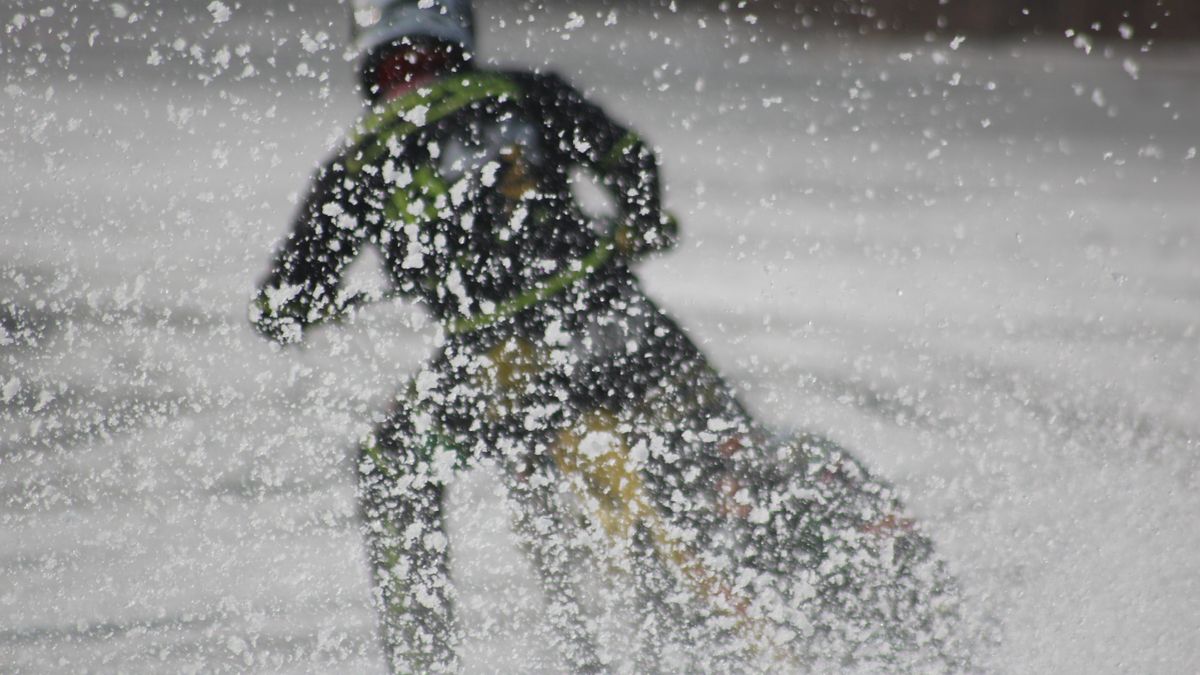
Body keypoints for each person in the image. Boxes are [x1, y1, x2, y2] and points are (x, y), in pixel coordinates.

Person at [251, 1, 967, 672]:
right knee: (725, 452)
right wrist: (639, 225)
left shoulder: (358, 162)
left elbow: (283, 300)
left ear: (368, 49)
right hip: (623, 323)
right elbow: (629, 159)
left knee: (393, 465)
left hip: (498, 366)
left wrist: (307, 309)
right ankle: (865, 587)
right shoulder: (523, 91)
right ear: (457, 31)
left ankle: (424, 656)